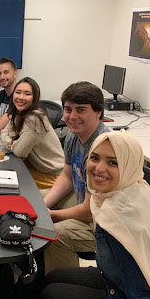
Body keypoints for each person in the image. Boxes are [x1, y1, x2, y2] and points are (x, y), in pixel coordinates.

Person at [41, 131, 150, 299]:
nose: (99, 168)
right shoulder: (134, 188)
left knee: (53, 294)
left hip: (137, 296)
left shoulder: (118, 219)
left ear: (127, 166)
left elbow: (140, 294)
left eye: (113, 162)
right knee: (54, 277)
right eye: (94, 158)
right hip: (116, 277)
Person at [43, 81, 109, 273]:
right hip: (86, 204)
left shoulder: (102, 148)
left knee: (53, 234)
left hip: (103, 225)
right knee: (31, 201)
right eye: (68, 109)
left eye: (81, 110)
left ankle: (59, 288)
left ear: (98, 112)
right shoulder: (74, 135)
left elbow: (89, 212)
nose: (72, 117)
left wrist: (52, 216)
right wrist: (44, 205)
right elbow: (67, 176)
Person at [1, 77, 64, 190]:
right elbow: (4, 132)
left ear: (34, 98)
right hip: (35, 166)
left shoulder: (34, 119)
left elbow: (20, 151)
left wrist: (13, 144)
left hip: (51, 174)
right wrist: (10, 141)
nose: (21, 97)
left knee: (7, 185)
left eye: (27, 94)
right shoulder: (19, 112)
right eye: (18, 92)